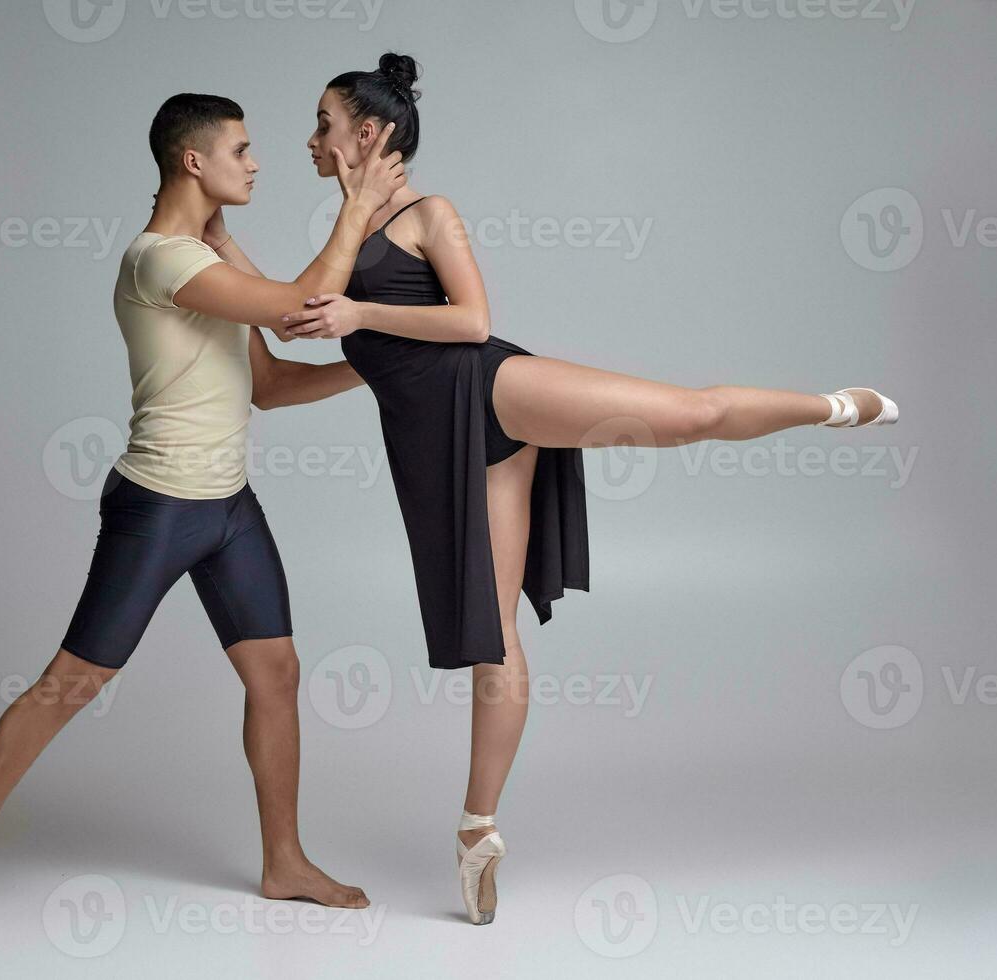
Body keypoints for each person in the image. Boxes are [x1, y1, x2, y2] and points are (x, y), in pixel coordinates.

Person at [280, 53, 899, 925]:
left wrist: (362, 318)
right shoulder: (348, 227)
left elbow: (471, 322)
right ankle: (476, 831)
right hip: (433, 439)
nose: (310, 140)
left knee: (690, 415)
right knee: (491, 641)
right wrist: (316, 263)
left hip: (492, 391)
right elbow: (304, 327)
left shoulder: (431, 213)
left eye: (323, 123)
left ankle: (834, 406)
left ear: (368, 132)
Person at [0, 94, 408, 932]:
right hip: (158, 508)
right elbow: (299, 306)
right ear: (194, 161)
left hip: (228, 510)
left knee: (278, 676)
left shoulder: (206, 257)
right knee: (74, 683)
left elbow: (273, 383)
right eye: (242, 149)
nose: (257, 162)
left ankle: (284, 861)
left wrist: (381, 370)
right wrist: (359, 206)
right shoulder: (159, 260)